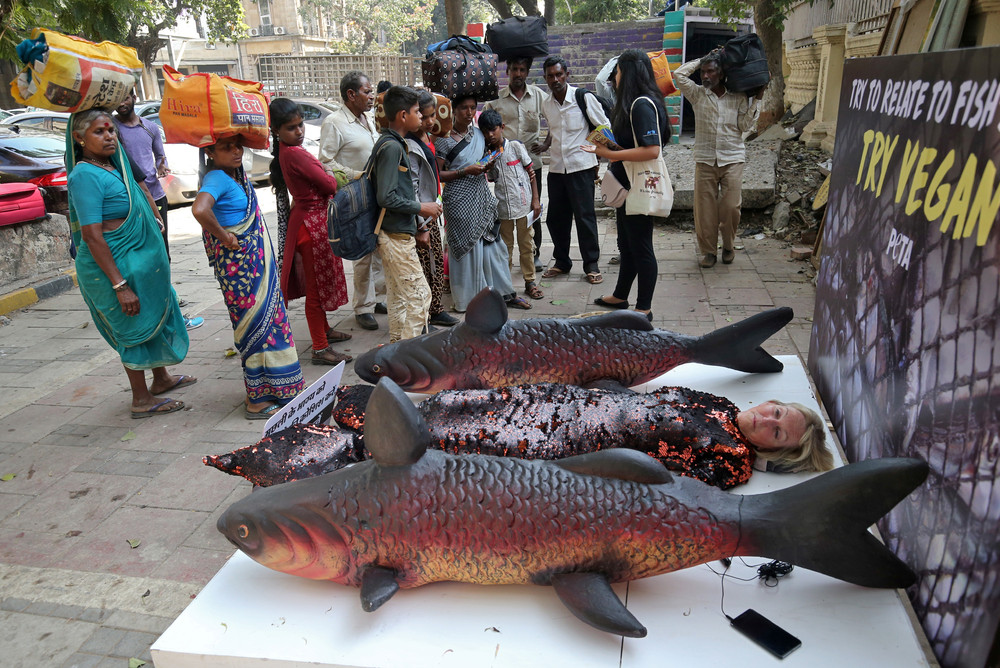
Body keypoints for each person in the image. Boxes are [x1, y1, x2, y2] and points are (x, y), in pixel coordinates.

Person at [216, 384, 834, 491]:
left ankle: (283, 462)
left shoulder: (730, 463)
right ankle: (326, 414)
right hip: (555, 405)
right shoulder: (722, 403)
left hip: (552, 444)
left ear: (776, 451)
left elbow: (649, 473)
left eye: (780, 434)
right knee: (447, 406)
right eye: (778, 412)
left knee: (431, 440)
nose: (770, 421)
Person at [66, 109, 196, 419]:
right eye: (99, 131)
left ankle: (161, 379)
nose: (109, 136)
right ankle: (141, 399)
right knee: (132, 326)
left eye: (111, 130)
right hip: (112, 268)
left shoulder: (112, 166)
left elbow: (139, 190)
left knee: (150, 317)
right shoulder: (84, 175)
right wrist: (120, 285)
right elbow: (93, 236)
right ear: (79, 137)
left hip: (135, 263)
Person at [191, 133, 305, 420]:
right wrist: (226, 237)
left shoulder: (233, 176)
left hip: (252, 267)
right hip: (241, 270)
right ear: (210, 153)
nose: (235, 151)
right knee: (257, 328)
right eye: (225, 147)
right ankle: (257, 400)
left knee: (268, 326)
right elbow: (199, 209)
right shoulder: (217, 178)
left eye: (237, 145)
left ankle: (272, 390)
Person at [584, 50, 670, 322]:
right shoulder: (635, 103)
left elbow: (652, 150)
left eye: (618, 72)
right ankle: (621, 294)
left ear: (628, 73)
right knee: (628, 244)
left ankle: (644, 308)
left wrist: (610, 154)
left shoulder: (642, 104)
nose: (615, 78)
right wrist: (607, 145)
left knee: (641, 246)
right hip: (628, 184)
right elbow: (636, 144)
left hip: (639, 185)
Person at [270, 98, 353, 365]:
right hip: (312, 225)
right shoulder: (295, 153)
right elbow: (329, 185)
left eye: (301, 125)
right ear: (277, 131)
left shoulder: (288, 150)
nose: (300, 131)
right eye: (292, 127)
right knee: (316, 289)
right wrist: (329, 172)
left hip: (310, 221)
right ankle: (319, 347)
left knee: (318, 284)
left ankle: (324, 332)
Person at [113, 91, 203, 330]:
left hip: (156, 196)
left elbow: (160, 156)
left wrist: (162, 165)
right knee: (141, 254)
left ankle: (168, 297)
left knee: (162, 252)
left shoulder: (150, 128)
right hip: (131, 200)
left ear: (133, 97)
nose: (121, 104)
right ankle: (153, 302)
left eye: (125, 98)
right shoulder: (112, 128)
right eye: (117, 100)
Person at [434, 94, 531, 313]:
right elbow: (437, 174)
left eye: (472, 108)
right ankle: (468, 301)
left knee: (493, 249)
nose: (469, 113)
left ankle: (503, 294)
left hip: (482, 197)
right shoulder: (443, 139)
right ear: (454, 111)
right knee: (467, 252)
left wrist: (487, 165)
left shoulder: (478, 134)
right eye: (463, 108)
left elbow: (486, 157)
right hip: (459, 201)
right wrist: (464, 171)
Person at [674, 49, 762, 268]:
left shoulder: (738, 97)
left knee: (731, 207)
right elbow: (678, 75)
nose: (705, 76)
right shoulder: (697, 94)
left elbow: (745, 127)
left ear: (721, 74)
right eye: (703, 72)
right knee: (704, 210)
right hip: (705, 159)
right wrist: (701, 59)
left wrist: (757, 101)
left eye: (711, 72)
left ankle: (729, 245)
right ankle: (709, 252)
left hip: (732, 157)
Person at [372, 86, 441, 342]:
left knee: (399, 299)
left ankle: (394, 355)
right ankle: (405, 357)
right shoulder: (392, 147)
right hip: (395, 236)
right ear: (403, 116)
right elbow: (386, 196)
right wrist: (423, 208)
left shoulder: (392, 142)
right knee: (421, 297)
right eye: (416, 112)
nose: (422, 118)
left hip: (394, 234)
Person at [535, 55, 610, 286]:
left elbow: (604, 126)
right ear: (545, 78)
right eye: (550, 76)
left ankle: (591, 264)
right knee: (556, 219)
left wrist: (592, 152)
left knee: (585, 218)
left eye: (559, 74)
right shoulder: (546, 104)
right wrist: (547, 144)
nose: (555, 79)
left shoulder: (582, 98)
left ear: (566, 74)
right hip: (556, 169)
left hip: (581, 168)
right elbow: (554, 128)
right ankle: (562, 261)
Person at [319, 71, 385, 331]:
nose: (371, 96)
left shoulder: (367, 119)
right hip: (355, 196)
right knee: (363, 253)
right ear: (351, 94)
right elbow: (325, 161)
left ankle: (377, 297)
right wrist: (355, 175)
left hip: (376, 193)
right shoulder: (334, 122)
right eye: (367, 92)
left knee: (379, 247)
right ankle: (363, 307)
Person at [484, 56, 547, 272]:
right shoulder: (496, 101)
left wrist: (546, 144)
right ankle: (506, 257)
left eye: (521, 69)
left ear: (527, 72)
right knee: (508, 210)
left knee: (533, 210)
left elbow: (556, 117)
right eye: (514, 69)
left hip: (531, 164)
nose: (518, 74)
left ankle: (533, 255)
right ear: (507, 71)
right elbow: (484, 128)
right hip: (505, 167)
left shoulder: (538, 96)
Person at [405, 91, 458, 327]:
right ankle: (426, 314)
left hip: (432, 208)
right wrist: (422, 225)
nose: (428, 121)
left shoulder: (428, 137)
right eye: (423, 116)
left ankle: (435, 309)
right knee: (426, 265)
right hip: (422, 214)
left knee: (435, 261)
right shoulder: (409, 144)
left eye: (431, 115)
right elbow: (413, 186)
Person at [478, 109, 543, 301]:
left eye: (493, 129)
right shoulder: (488, 155)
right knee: (505, 248)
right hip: (503, 208)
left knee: (527, 245)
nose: (490, 134)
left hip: (523, 205)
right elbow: (491, 179)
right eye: (486, 131)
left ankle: (530, 281)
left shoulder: (515, 147)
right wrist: (488, 165)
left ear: (502, 128)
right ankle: (505, 286)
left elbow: (531, 173)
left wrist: (536, 200)